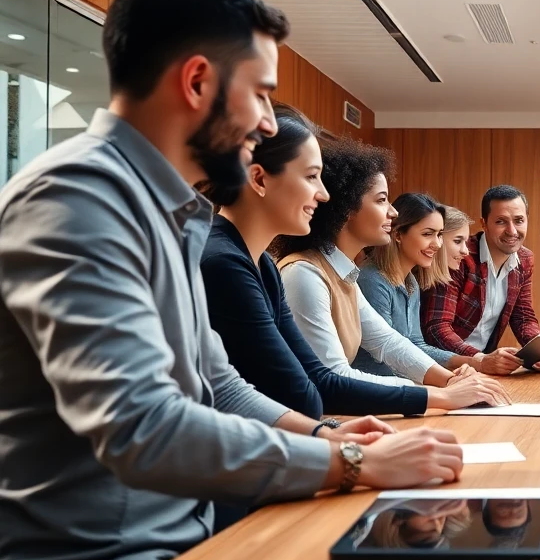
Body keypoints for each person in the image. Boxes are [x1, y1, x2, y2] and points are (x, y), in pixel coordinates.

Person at [0, 0, 463, 560]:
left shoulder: (172, 213)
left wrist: (329, 438)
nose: (269, 123)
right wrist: (352, 462)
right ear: (197, 84)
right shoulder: (78, 202)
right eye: (262, 95)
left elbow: (218, 386)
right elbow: (143, 428)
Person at [201, 107, 506, 417]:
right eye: (310, 177)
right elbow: (316, 387)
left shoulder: (263, 265)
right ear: (259, 179)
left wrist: (452, 382)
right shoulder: (254, 267)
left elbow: (378, 348)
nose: (322, 195)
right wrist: (442, 395)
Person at [272, 137, 510, 403]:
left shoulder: (343, 274)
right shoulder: (305, 274)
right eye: (382, 200)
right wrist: (439, 395)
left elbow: (388, 342)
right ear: (346, 208)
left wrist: (450, 380)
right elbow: (333, 375)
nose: (393, 212)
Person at [422, 185, 540, 375]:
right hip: (445, 366)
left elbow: (523, 317)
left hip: (485, 368)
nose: (512, 231)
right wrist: (480, 359)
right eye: (501, 222)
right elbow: (437, 329)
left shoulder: (525, 260)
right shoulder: (459, 256)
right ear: (484, 223)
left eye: (519, 220)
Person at [356, 193, 482, 375]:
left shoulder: (411, 283)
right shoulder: (372, 280)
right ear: (398, 234)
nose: (438, 244)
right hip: (376, 390)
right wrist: (447, 380)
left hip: (401, 385)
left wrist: (474, 363)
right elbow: (383, 357)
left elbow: (417, 346)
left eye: (439, 235)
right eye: (427, 234)